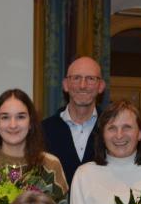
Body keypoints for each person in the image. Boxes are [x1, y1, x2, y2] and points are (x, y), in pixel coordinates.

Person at [42, 56, 106, 187]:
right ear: (65, 85)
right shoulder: (43, 130)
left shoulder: (112, 130)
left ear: (101, 86)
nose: (83, 86)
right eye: (76, 78)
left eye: (90, 79)